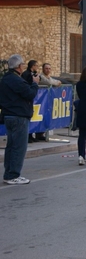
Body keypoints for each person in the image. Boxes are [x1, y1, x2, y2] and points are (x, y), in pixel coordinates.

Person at [0, 54, 39, 185]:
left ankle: (9, 173)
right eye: (22, 64)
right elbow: (29, 93)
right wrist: (35, 84)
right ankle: (13, 175)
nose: (23, 67)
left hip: (9, 115)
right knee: (18, 147)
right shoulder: (15, 80)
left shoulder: (6, 79)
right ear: (19, 66)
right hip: (18, 116)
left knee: (11, 146)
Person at [21, 60, 41, 143]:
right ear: (32, 66)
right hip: (27, 97)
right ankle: (27, 136)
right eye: (36, 65)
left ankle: (30, 135)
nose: (37, 67)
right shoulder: (26, 74)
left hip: (30, 98)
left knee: (31, 116)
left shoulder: (33, 74)